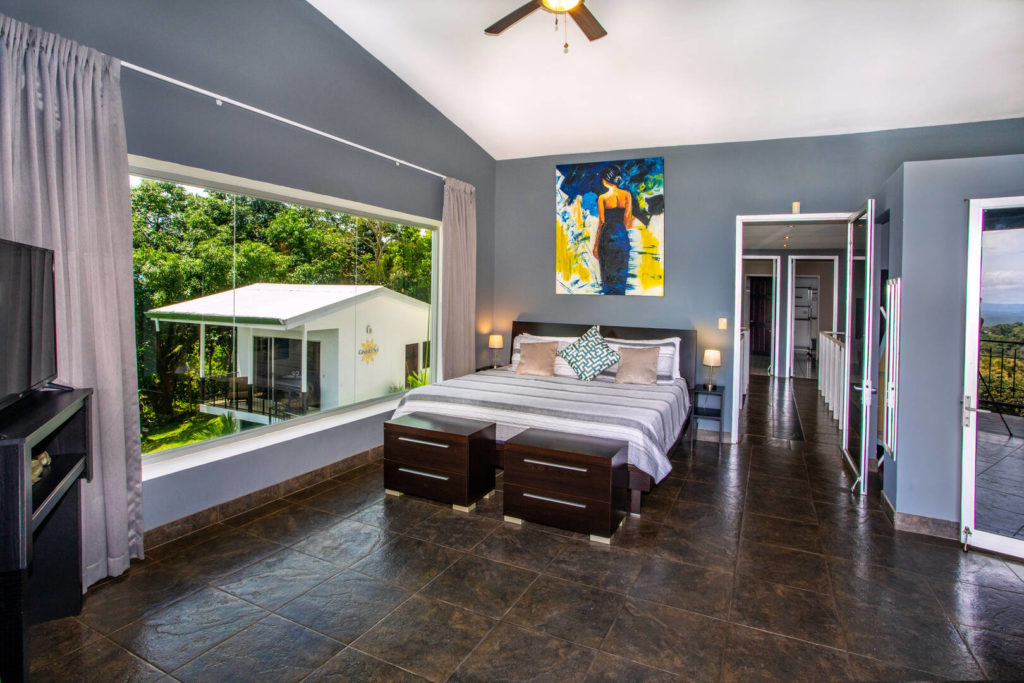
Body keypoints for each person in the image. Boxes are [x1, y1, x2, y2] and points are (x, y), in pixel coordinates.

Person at [591, 165, 633, 294]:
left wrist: (596, 246)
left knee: (607, 275)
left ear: (604, 180)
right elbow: (627, 220)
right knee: (621, 273)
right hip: (621, 235)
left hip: (607, 237)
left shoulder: (602, 198)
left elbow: (601, 223)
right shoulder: (626, 195)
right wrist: (619, 229)